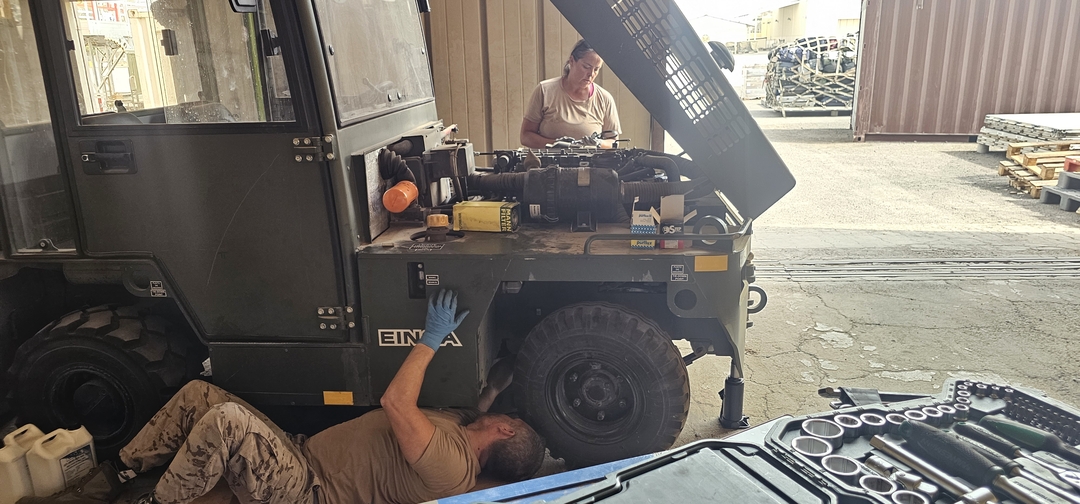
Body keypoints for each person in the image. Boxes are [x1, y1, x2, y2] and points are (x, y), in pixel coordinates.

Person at [121, 290, 545, 504]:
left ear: (505, 431)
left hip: (308, 489)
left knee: (226, 420)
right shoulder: (463, 427)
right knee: (200, 396)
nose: (506, 412)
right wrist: (499, 380)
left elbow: (396, 402)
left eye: (512, 418)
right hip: (298, 451)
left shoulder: (452, 467)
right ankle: (123, 470)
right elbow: (487, 400)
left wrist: (431, 338)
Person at [520, 39, 621, 149]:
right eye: (586, 67)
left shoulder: (605, 98)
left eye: (596, 69)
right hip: (549, 164)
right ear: (572, 61)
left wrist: (598, 144)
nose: (591, 74)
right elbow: (526, 136)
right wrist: (557, 145)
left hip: (592, 165)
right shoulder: (545, 90)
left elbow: (613, 142)